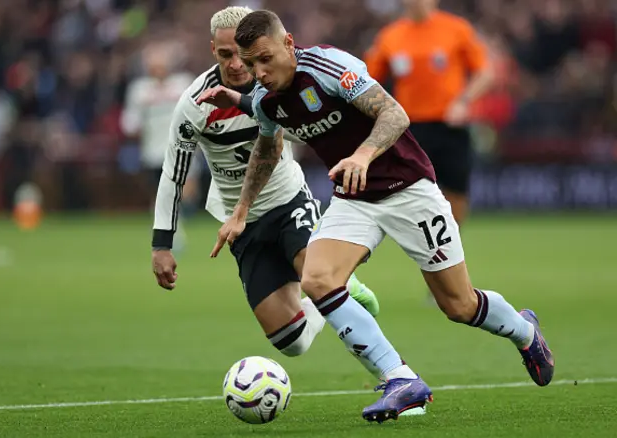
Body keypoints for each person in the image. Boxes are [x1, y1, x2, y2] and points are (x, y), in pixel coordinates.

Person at [201, 9, 554, 423]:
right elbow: (267, 148)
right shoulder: (265, 100)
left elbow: (395, 114)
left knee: (458, 304)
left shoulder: (330, 67)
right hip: (355, 199)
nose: (257, 71)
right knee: (317, 279)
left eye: (265, 59)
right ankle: (399, 378)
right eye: (249, 62)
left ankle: (525, 331)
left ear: (288, 44)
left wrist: (364, 154)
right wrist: (240, 211)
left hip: (409, 189)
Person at [151, 7, 379, 361]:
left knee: (320, 284)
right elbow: (174, 173)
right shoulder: (195, 103)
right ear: (213, 50)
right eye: (225, 55)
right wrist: (161, 245)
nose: (237, 65)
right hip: (240, 222)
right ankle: (345, 288)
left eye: (241, 55)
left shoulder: (275, 81)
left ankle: (393, 375)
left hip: (288, 201)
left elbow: (299, 123)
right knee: (293, 342)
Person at [364, 0, 494, 226]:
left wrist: (463, 101)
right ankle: (426, 242)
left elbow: (485, 73)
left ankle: (451, 243)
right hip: (410, 128)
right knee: (414, 191)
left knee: (456, 190)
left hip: (450, 125)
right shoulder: (390, 36)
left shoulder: (456, 29)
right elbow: (368, 82)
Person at [122, 40, 197, 252]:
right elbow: (130, 123)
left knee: (184, 192)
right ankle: (168, 231)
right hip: (153, 152)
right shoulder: (139, 91)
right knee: (160, 194)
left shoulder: (183, 84)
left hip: (183, 148)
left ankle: (172, 226)